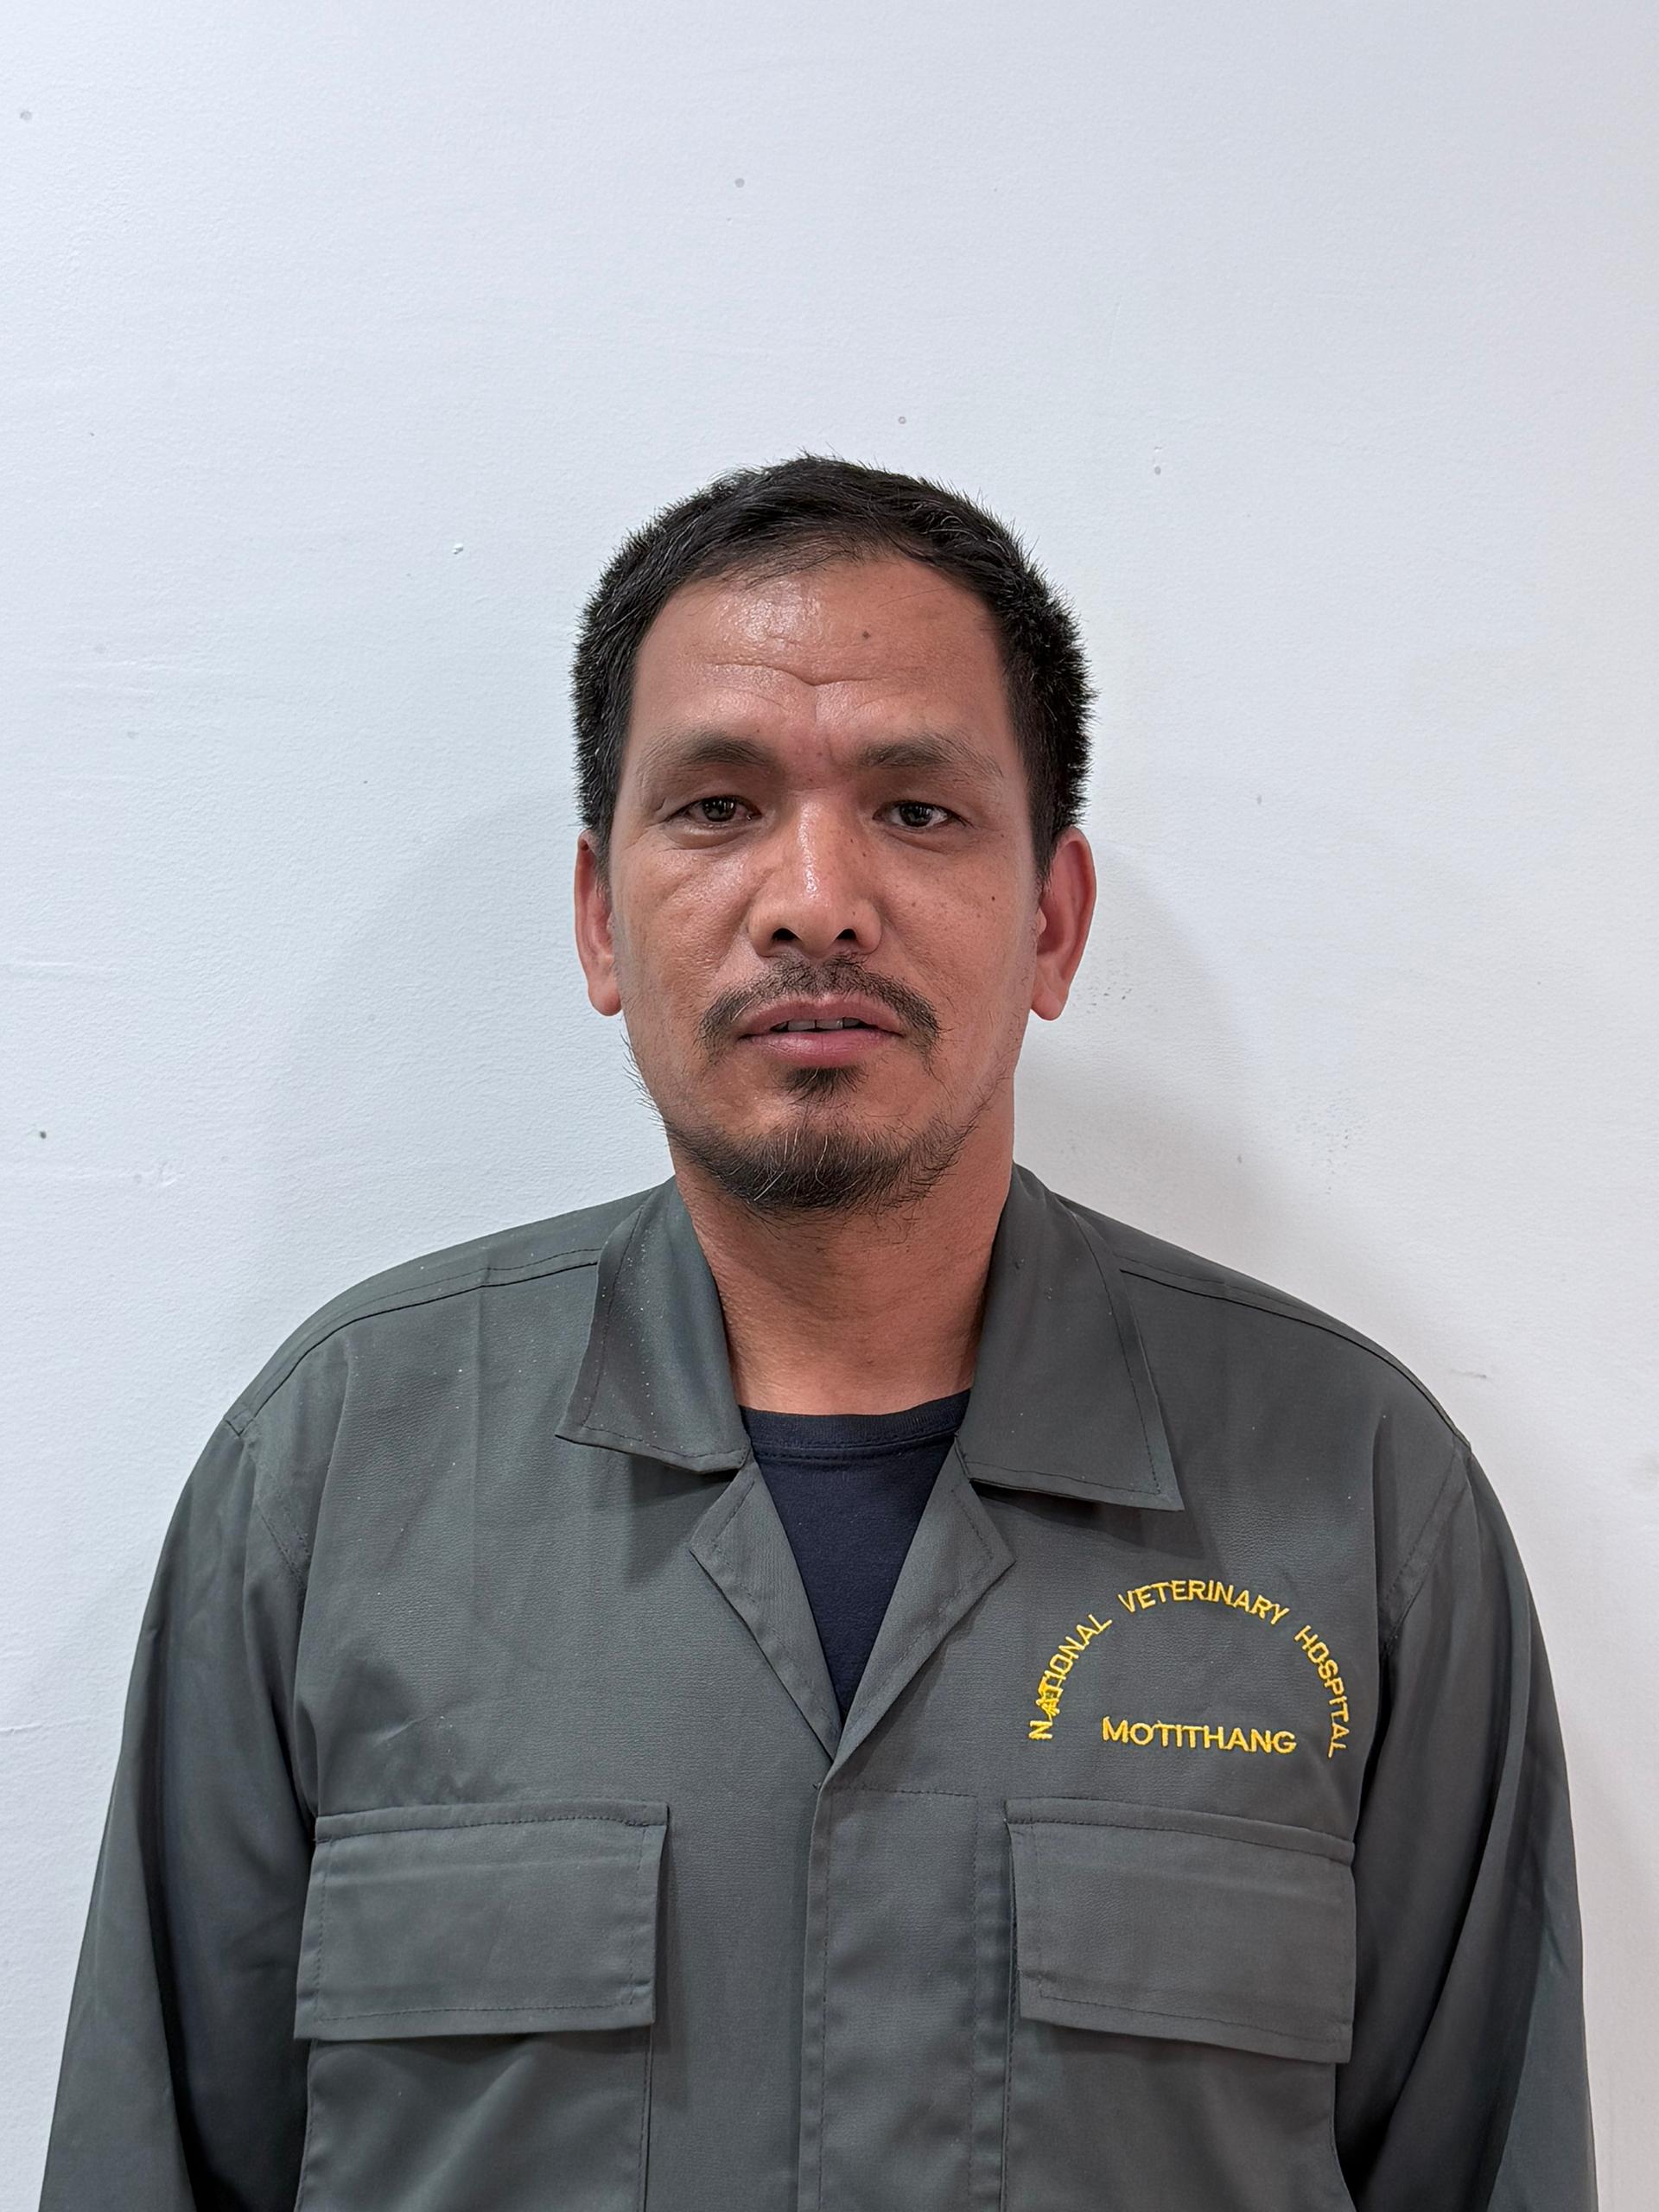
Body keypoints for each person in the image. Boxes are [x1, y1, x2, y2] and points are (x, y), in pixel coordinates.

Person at [40, 457, 1596, 2212]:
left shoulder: (1360, 1502)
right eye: (716, 806)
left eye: (918, 810)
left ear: (1053, 922)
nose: (814, 899)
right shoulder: (336, 1476)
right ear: (599, 919)